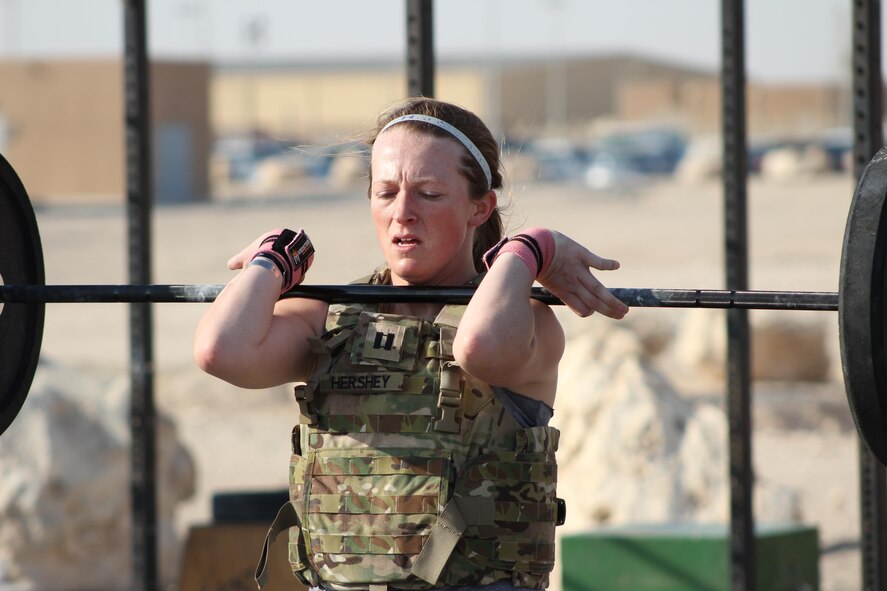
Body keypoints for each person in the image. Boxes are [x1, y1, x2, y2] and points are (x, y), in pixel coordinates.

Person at [193, 97, 629, 591]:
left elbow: (478, 349)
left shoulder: (526, 319)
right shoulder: (331, 318)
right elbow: (221, 352)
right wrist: (273, 261)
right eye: (386, 193)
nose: (403, 213)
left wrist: (529, 249)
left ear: (478, 207)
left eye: (429, 193)